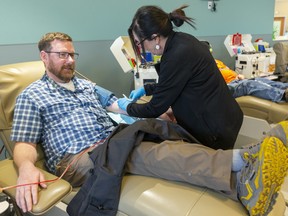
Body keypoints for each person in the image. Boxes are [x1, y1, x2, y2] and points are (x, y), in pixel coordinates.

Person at [10, 32, 288, 216]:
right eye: (62, 55)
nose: (70, 61)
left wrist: (153, 113)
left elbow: (118, 105)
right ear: (44, 57)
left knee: (166, 133)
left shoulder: (85, 85)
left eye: (72, 55)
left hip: (113, 139)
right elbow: (23, 141)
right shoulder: (32, 96)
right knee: (140, 152)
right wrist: (24, 168)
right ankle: (242, 161)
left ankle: (241, 178)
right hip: (78, 158)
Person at [117, 5, 243, 150]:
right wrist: (146, 89)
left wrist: (127, 107)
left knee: (220, 166)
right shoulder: (182, 40)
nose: (140, 49)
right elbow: (174, 83)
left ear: (155, 38)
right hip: (224, 117)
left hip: (215, 129)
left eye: (139, 43)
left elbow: (154, 109)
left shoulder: (175, 55)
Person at [216, 59, 288, 102]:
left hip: (236, 80)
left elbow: (231, 72)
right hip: (226, 88)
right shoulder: (206, 67)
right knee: (248, 84)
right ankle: (282, 95)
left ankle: (285, 87)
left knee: (258, 79)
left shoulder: (218, 62)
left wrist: (239, 75)